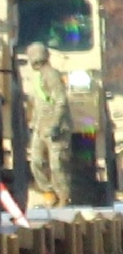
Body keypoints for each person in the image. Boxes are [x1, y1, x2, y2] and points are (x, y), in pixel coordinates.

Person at [25, 41, 72, 205]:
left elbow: (60, 100)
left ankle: (63, 197)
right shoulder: (36, 77)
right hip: (40, 127)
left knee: (57, 166)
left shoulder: (51, 75)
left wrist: (56, 124)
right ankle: (48, 191)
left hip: (55, 128)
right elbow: (37, 104)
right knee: (36, 162)